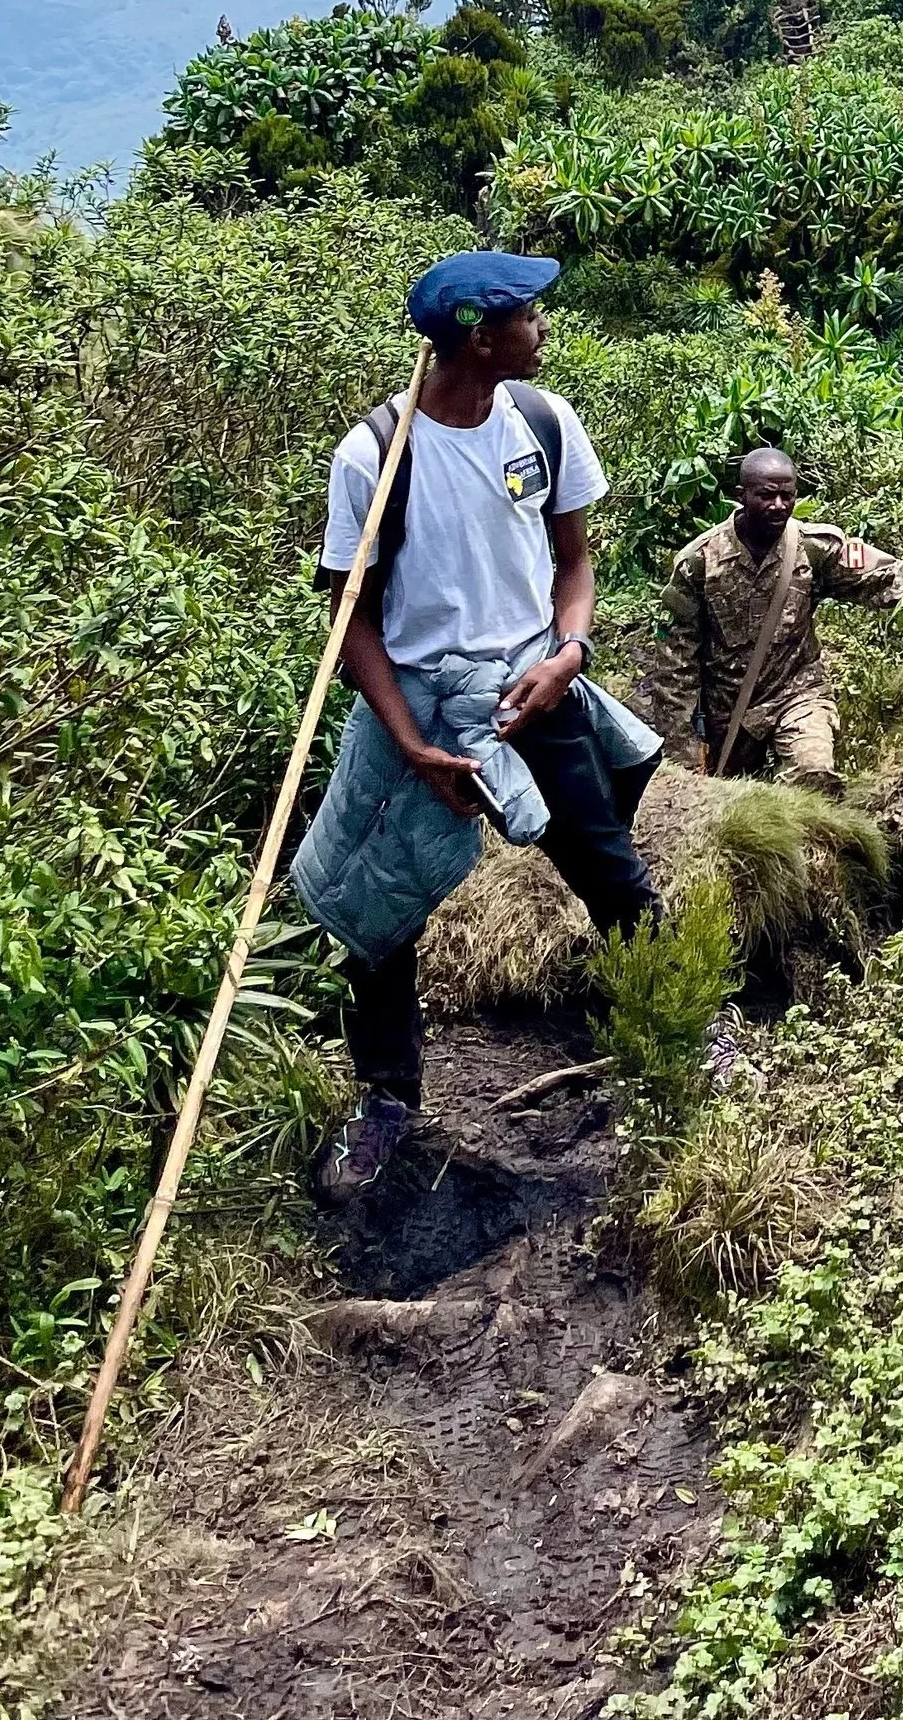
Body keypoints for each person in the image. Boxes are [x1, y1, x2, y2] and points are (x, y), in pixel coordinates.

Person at [291, 250, 663, 1208]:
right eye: (529, 318)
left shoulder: (543, 421)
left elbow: (574, 563)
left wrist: (570, 653)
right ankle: (387, 1102)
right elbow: (351, 619)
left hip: (532, 686)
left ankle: (684, 1035)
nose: (544, 331)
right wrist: (410, 744)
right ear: (478, 335)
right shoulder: (375, 456)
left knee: (613, 873)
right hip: (420, 703)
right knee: (380, 911)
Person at [655, 446, 903, 787]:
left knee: (813, 777)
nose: (779, 505)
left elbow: (886, 575)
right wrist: (683, 753)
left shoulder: (814, 547)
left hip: (797, 693)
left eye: (787, 495)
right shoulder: (699, 563)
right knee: (731, 810)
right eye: (767, 496)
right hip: (728, 713)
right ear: (741, 496)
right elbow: (675, 663)